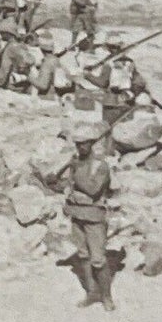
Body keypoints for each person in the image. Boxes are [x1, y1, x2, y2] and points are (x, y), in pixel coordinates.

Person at [63, 115, 114, 311]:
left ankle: (107, 296)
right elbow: (68, 187)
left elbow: (93, 190)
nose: (80, 148)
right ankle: (91, 293)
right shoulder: (76, 164)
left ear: (92, 144)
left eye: (84, 144)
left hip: (94, 218)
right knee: (83, 256)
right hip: (77, 215)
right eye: (77, 145)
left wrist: (75, 175)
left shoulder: (100, 165)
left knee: (98, 260)